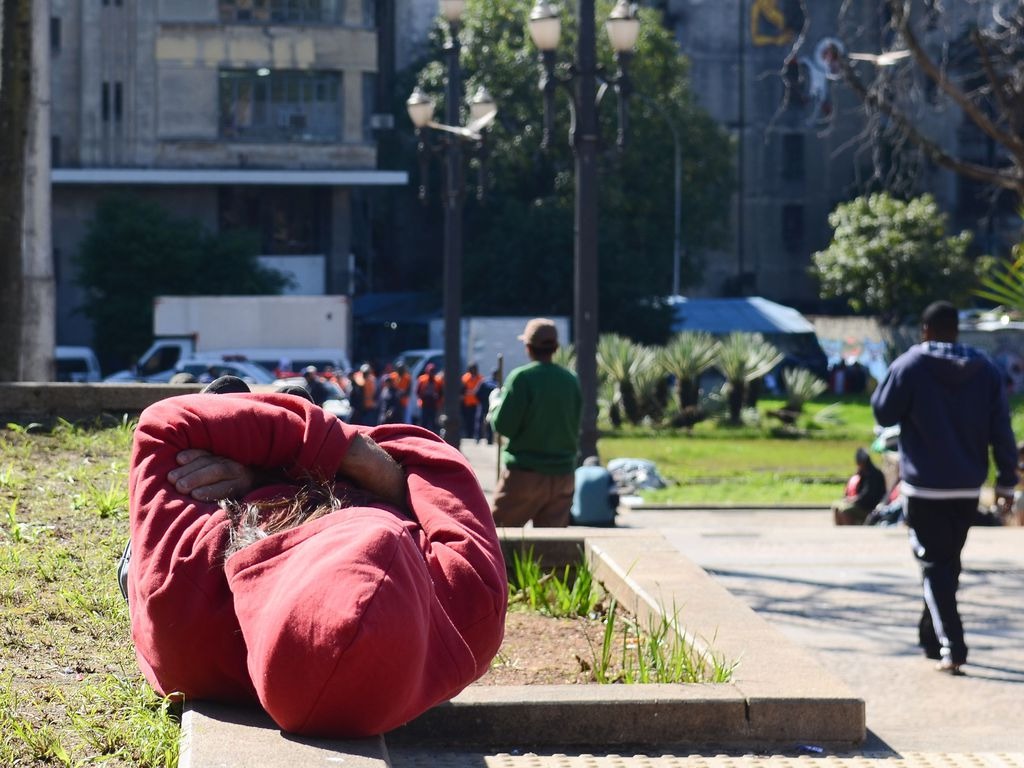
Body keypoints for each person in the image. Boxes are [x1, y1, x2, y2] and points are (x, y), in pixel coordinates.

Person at [124, 381, 507, 738]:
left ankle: (275, 422)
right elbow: (443, 466)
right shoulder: (470, 613)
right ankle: (280, 427)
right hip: (284, 513)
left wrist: (307, 459)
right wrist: (349, 465)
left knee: (154, 541)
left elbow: (168, 422)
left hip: (240, 523)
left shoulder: (181, 599)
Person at [871, 300, 1017, 676]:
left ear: (925, 330)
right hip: (967, 487)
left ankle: (953, 644)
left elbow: (883, 412)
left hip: (925, 487)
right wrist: (1005, 481)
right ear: (957, 330)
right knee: (945, 563)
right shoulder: (985, 369)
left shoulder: (910, 365)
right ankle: (930, 639)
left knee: (935, 564)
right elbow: (1002, 429)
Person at [490, 318, 582, 527]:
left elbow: (504, 426)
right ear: (556, 348)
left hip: (524, 474)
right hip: (563, 477)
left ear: (528, 348)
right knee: (552, 550)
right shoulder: (570, 380)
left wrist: (495, 405)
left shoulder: (522, 378)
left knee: (497, 541)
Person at [832, 447, 887, 525]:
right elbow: (852, 488)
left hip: (869, 506)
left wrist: (853, 500)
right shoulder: (863, 473)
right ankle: (840, 529)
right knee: (836, 506)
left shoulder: (873, 475)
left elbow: (867, 495)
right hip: (860, 503)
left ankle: (849, 530)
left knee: (845, 510)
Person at [570, 456, 619, 527]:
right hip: (604, 520)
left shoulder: (577, 472)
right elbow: (615, 499)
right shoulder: (605, 473)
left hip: (577, 520)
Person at [416, 363, 444, 434]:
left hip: (434, 404)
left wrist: (438, 400)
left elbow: (441, 393)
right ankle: (422, 435)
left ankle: (434, 435)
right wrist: (423, 397)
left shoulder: (438, 380)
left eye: (433, 371)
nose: (431, 373)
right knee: (424, 421)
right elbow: (418, 391)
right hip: (425, 403)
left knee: (433, 422)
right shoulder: (422, 379)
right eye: (430, 371)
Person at [460, 363, 484, 441]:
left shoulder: (480, 378)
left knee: (476, 420)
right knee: (468, 420)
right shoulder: (465, 378)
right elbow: (462, 390)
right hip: (467, 403)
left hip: (477, 403)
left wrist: (472, 392)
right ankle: (468, 434)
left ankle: (475, 435)